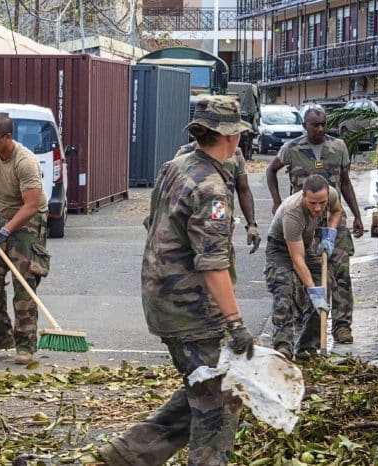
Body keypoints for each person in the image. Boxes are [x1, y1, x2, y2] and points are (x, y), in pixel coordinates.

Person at [97, 96, 255, 466]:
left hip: (161, 298)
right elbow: (212, 264)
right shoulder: (212, 190)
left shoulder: (177, 165)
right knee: (219, 404)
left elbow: (151, 223)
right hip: (191, 311)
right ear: (230, 138)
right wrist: (236, 325)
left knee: (202, 388)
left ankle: (127, 455)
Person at [265, 108, 363, 344]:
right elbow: (271, 170)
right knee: (304, 272)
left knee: (340, 272)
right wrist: (277, 201)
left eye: (323, 124)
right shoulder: (291, 148)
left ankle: (341, 326)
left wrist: (357, 214)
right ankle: (305, 322)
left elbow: (346, 183)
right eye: (315, 125)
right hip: (303, 220)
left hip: (332, 220)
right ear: (305, 126)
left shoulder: (338, 147)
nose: (320, 129)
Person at [0, 112, 50, 365]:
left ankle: (25, 345)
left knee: (22, 282)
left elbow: (31, 205)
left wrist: (5, 232)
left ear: (7, 136)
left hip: (29, 219)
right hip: (3, 216)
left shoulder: (24, 161)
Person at [265, 174, 342, 361]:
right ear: (303, 196)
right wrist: (312, 291)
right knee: (284, 289)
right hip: (281, 250)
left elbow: (337, 211)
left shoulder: (330, 194)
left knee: (325, 289)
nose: (318, 208)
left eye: (321, 203)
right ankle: (283, 347)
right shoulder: (293, 213)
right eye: (312, 203)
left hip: (305, 245)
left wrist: (330, 233)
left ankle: (308, 348)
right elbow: (297, 260)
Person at [175, 142, 261, 253]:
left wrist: (251, 224)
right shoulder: (186, 152)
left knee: (219, 258)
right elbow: (172, 188)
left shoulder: (235, 153)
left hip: (220, 216)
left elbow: (243, 190)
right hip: (189, 221)